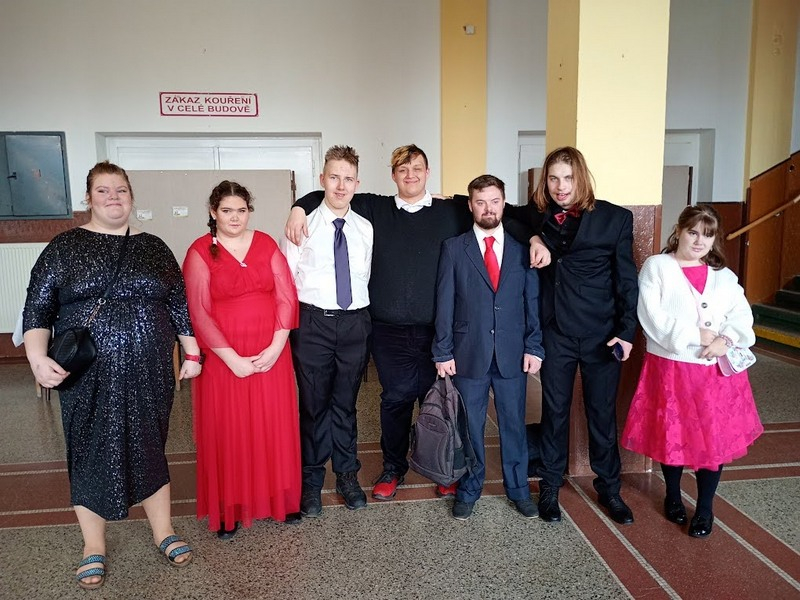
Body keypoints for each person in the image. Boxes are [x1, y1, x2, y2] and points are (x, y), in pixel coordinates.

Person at [23, 161, 201, 590]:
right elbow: (37, 308)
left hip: (150, 370)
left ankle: (163, 531)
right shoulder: (64, 247)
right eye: (103, 191)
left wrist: (192, 351)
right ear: (89, 198)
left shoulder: (154, 247)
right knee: (89, 448)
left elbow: (178, 302)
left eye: (120, 190)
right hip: (87, 373)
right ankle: (93, 545)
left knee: (150, 445)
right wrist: (36, 358)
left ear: (131, 196)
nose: (113, 197)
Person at [285, 144, 474, 500]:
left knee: (439, 400)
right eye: (403, 169)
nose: (410, 175)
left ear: (428, 173)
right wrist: (298, 207)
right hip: (384, 330)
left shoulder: (449, 211)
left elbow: (492, 209)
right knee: (393, 401)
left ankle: (443, 466)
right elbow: (330, 195)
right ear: (393, 175)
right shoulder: (375, 209)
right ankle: (392, 468)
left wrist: (536, 237)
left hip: (436, 330)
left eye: (417, 168)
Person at [504, 146, 639, 525]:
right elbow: (505, 215)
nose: (560, 186)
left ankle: (609, 488)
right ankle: (549, 486)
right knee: (554, 412)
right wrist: (534, 238)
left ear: (581, 177)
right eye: (553, 178)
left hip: (602, 335)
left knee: (601, 414)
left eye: (567, 178)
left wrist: (626, 332)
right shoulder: (539, 214)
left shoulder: (615, 219)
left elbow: (627, 281)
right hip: (556, 333)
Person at [621, 205, 763, 538]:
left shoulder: (723, 277)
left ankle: (705, 508)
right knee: (673, 434)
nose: (700, 241)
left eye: (708, 235)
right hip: (671, 368)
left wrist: (726, 339)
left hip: (714, 374)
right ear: (680, 231)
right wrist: (693, 335)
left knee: (712, 440)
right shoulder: (658, 267)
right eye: (693, 232)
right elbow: (651, 316)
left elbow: (741, 315)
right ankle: (672, 495)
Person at [182, 181, 301, 540]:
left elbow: (287, 295)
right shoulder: (199, 251)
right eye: (227, 211)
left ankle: (280, 500)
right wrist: (231, 358)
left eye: (241, 210)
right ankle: (230, 508)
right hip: (225, 355)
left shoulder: (265, 243)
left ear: (249, 211)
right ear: (213, 212)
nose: (235, 217)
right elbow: (198, 312)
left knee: (273, 423)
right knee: (230, 429)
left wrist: (277, 345)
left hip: (271, 351)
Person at [432, 175, 545, 520]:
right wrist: (443, 352)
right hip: (468, 353)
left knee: (514, 425)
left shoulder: (523, 250)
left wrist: (534, 346)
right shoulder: (454, 248)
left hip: (513, 353)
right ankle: (470, 487)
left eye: (494, 201)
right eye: (480, 202)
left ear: (503, 203)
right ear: (470, 206)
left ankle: (519, 489)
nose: (488, 209)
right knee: (470, 427)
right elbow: (445, 303)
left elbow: (531, 302)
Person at [281, 145, 373, 516]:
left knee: (346, 404)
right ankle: (311, 481)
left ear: (357, 184)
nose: (340, 185)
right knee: (314, 405)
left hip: (354, 323)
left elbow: (365, 275)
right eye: (334, 177)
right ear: (322, 179)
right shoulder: (300, 225)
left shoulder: (365, 228)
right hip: (313, 323)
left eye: (348, 179)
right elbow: (286, 282)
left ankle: (347, 476)